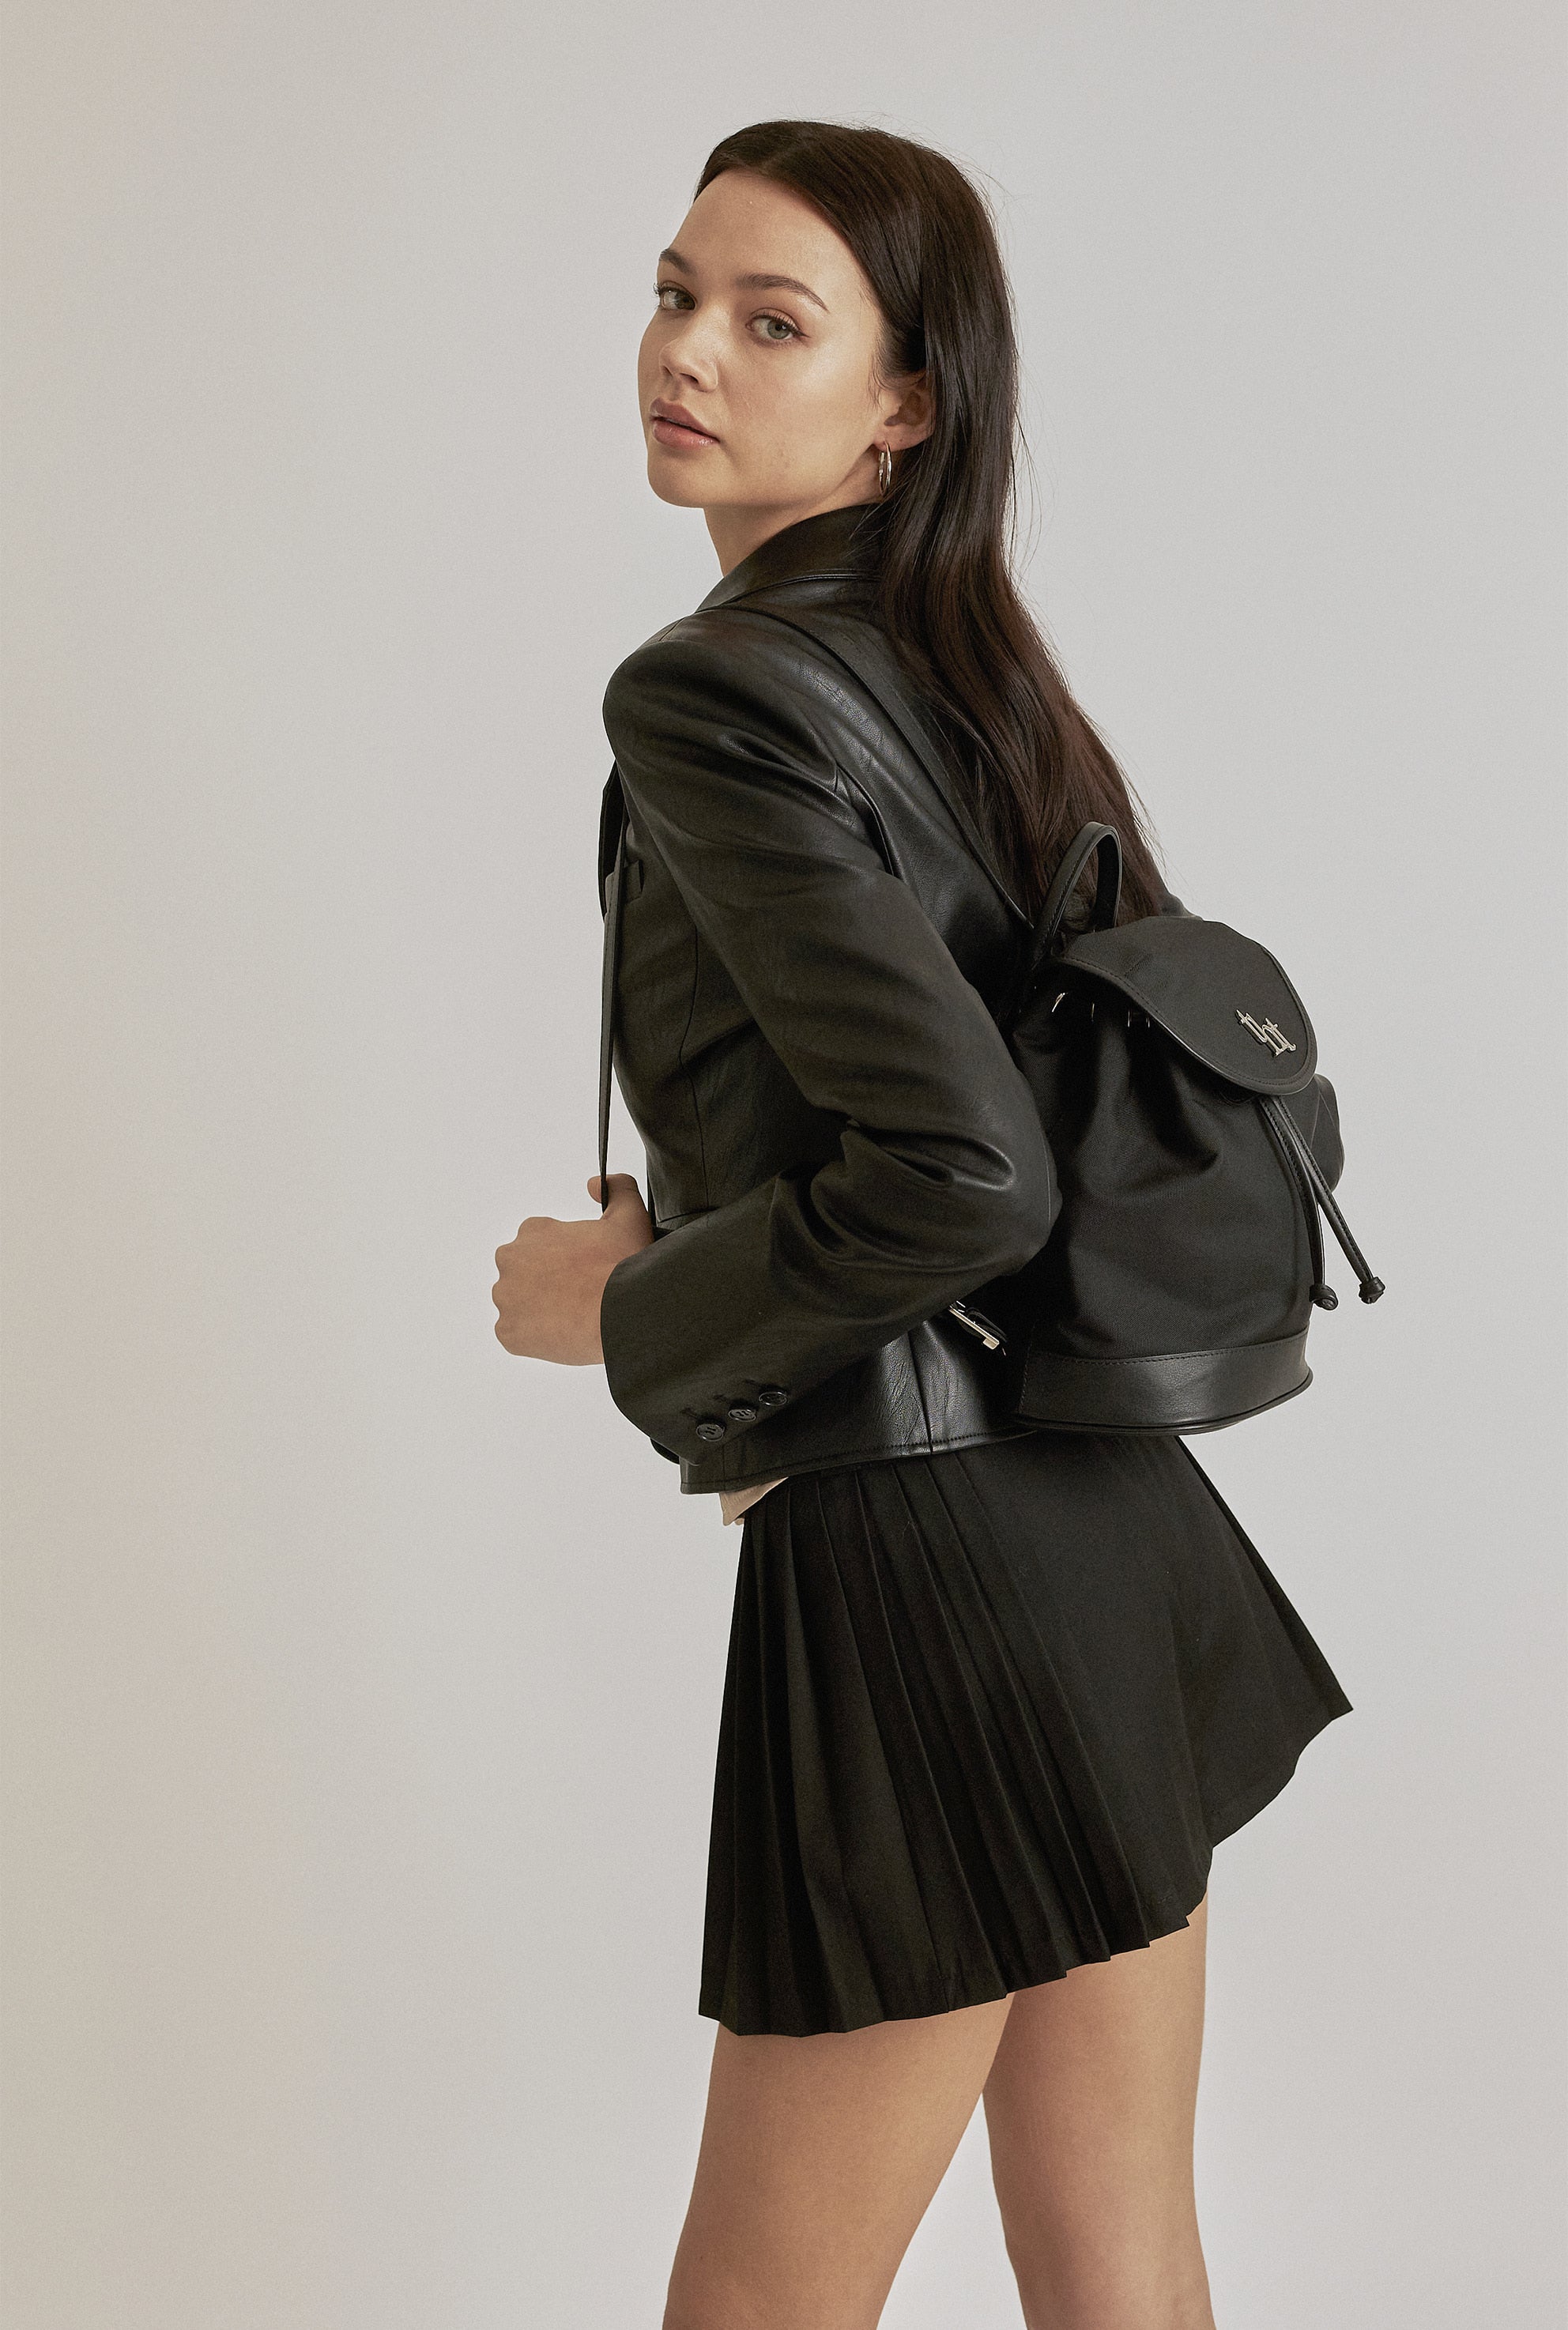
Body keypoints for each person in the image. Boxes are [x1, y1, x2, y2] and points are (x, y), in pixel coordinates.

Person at [492, 119, 1351, 2330]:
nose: (687, 350)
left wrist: (627, 1305)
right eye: (677, 292)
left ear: (903, 406)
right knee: (1120, 2261)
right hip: (1100, 1523)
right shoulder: (969, 667)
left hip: (926, 1575)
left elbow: (971, 1169)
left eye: (770, 319)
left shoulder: (716, 686)